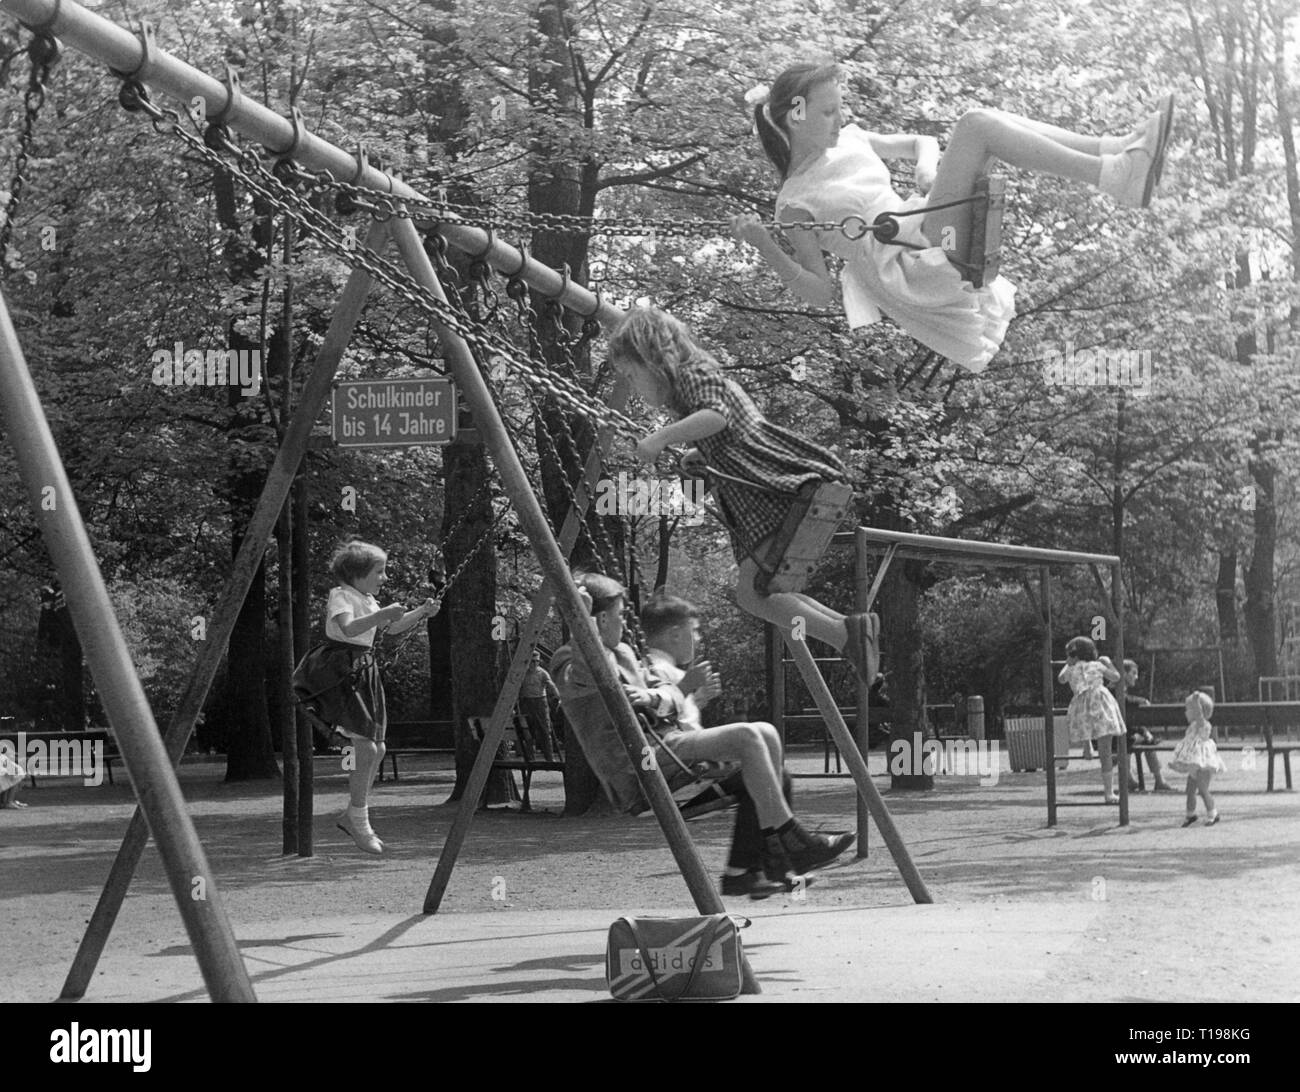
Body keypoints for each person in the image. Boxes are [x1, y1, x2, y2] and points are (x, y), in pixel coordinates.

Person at [731, 62, 1174, 372]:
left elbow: (921, 141)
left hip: (927, 223)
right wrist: (766, 246)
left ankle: (1112, 150)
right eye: (828, 111)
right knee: (977, 125)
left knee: (986, 120)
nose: (839, 118)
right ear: (795, 116)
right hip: (916, 259)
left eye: (839, 108)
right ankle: (1116, 176)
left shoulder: (852, 138)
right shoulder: (793, 203)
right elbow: (819, 292)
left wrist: (927, 167)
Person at [610, 305, 879, 688]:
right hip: (767, 492)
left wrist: (661, 437)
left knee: (752, 594)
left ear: (650, 357)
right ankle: (848, 632)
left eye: (631, 374)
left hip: (771, 493)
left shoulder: (691, 377)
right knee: (767, 590)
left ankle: (846, 635)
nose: (632, 384)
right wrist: (700, 453)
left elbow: (718, 416)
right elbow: (726, 430)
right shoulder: (697, 378)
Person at [550, 573, 855, 898]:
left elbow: (663, 692)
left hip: (665, 747)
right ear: (601, 618)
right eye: (622, 615)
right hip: (639, 766)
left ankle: (765, 859)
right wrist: (582, 623)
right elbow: (589, 673)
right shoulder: (568, 661)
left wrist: (655, 698)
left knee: (765, 735)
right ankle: (792, 839)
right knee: (747, 737)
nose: (625, 624)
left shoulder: (625, 652)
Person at [293, 539, 438, 854]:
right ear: (357, 574)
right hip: (340, 668)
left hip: (363, 667)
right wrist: (380, 615)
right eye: (379, 571)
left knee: (378, 747)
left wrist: (421, 612)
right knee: (366, 746)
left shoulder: (368, 598)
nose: (384, 578)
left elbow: (394, 626)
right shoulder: (342, 596)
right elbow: (347, 628)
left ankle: (355, 813)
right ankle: (358, 817)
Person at [1059, 636, 1126, 802]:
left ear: (1075, 655)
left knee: (1090, 731)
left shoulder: (1077, 667)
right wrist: (1108, 662)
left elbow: (1061, 679)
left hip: (1088, 705)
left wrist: (1068, 663)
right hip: (1097, 703)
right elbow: (1116, 676)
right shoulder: (1093, 665)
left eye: (1070, 654)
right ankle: (1108, 791)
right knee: (1105, 750)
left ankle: (1087, 745)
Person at [1112, 658, 1172, 792]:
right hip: (1115, 738)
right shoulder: (1116, 692)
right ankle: (1158, 779)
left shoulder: (1118, 691)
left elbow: (1128, 721)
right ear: (1124, 673)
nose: (1136, 677)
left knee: (1139, 738)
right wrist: (1142, 701)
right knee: (1143, 740)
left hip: (1117, 736)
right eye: (1133, 673)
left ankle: (1130, 779)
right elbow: (1124, 701)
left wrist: (1144, 731)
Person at [1170, 690, 1224, 827]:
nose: (1185, 712)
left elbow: (1200, 715)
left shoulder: (1202, 724)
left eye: (1188, 709)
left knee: (1203, 789)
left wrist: (1195, 701)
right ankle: (1190, 814)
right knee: (1190, 790)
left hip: (1204, 763)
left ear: (1197, 710)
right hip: (1195, 763)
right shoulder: (1193, 726)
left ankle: (1213, 813)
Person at [519, 649, 561, 762]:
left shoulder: (542, 673)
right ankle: (530, 759)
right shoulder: (523, 673)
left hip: (540, 702)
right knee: (528, 731)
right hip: (527, 703)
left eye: (536, 661)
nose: (534, 664)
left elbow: (551, 685)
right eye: (531, 661)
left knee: (545, 730)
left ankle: (550, 758)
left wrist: (557, 696)